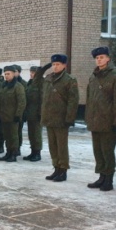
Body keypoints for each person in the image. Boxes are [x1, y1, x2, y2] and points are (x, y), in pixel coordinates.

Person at [85, 47, 116, 191]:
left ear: (108, 58)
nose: (99, 60)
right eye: (97, 58)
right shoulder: (93, 76)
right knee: (98, 151)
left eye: (102, 57)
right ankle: (101, 176)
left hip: (108, 121)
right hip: (95, 120)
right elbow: (89, 99)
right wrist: (88, 117)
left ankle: (109, 179)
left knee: (107, 151)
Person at [42, 54, 79, 182]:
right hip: (49, 117)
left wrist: (69, 118)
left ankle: (63, 170)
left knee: (61, 146)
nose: (55, 67)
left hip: (61, 118)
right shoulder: (48, 78)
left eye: (58, 64)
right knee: (52, 146)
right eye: (53, 64)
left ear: (64, 65)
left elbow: (73, 101)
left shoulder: (69, 80)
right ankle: (56, 168)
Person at [0, 65, 26, 162]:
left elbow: (21, 102)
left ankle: (14, 153)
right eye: (5, 74)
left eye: (8, 74)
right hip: (4, 115)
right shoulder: (4, 85)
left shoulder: (18, 86)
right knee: (6, 135)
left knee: (13, 136)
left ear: (14, 74)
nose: (6, 76)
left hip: (13, 116)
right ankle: (8, 152)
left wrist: (18, 115)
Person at [24, 64, 50, 161]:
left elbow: (43, 99)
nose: (31, 74)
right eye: (31, 72)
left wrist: (41, 113)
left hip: (37, 113)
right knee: (31, 134)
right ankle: (33, 151)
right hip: (30, 112)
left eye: (33, 72)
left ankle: (37, 153)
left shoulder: (41, 83)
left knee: (37, 133)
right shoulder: (30, 83)